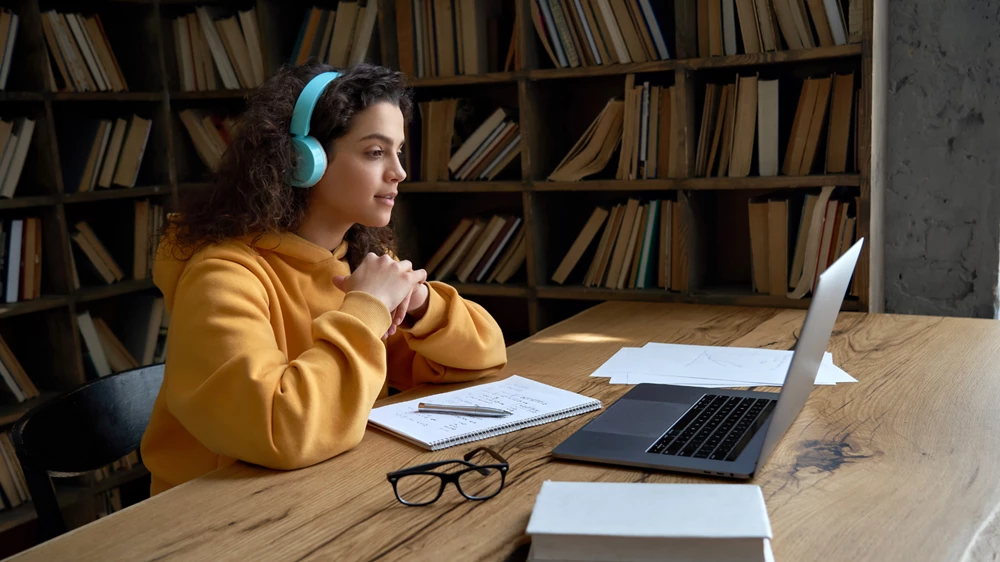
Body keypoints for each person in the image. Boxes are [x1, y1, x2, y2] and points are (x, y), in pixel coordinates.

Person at [139, 62, 508, 495]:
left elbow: (485, 353)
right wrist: (368, 310)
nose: (399, 172)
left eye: (399, 151)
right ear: (303, 161)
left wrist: (423, 304)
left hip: (325, 486)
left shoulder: (358, 260)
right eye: (375, 152)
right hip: (218, 517)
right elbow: (282, 428)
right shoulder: (221, 277)